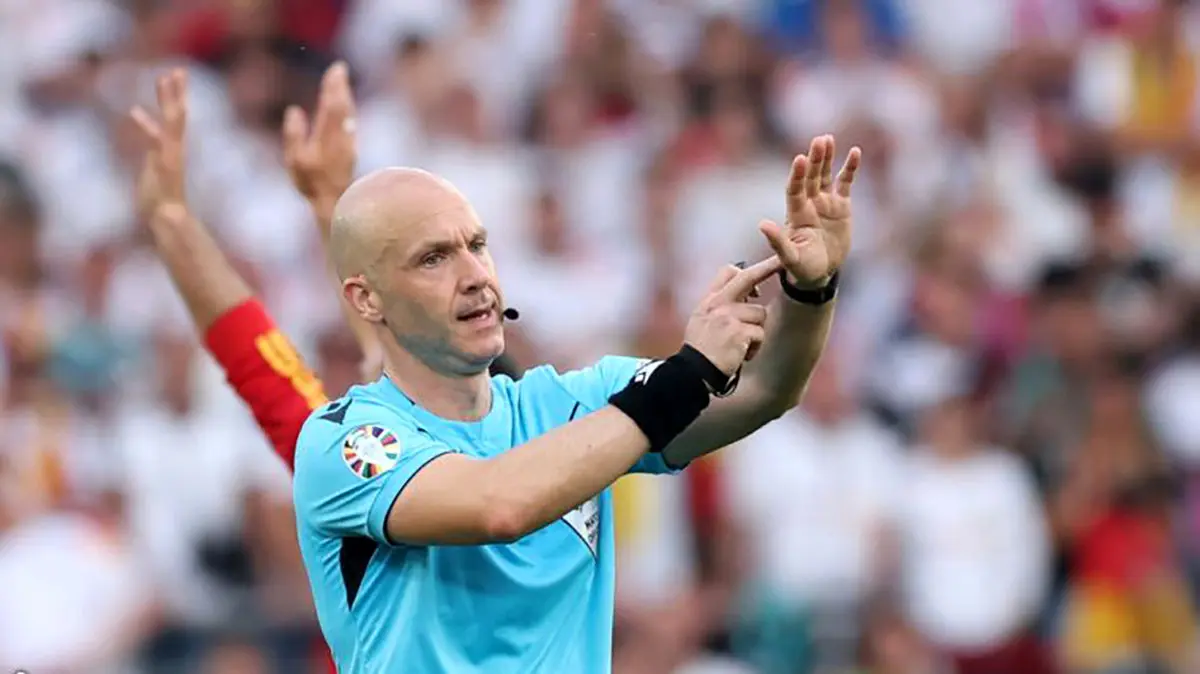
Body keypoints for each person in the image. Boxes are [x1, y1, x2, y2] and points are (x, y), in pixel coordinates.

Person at [292, 128, 860, 671]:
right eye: (433, 258)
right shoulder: (346, 441)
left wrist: (810, 291)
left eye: (478, 246)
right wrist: (688, 375)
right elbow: (499, 506)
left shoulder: (570, 401)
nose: (476, 276)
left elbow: (765, 391)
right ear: (365, 299)